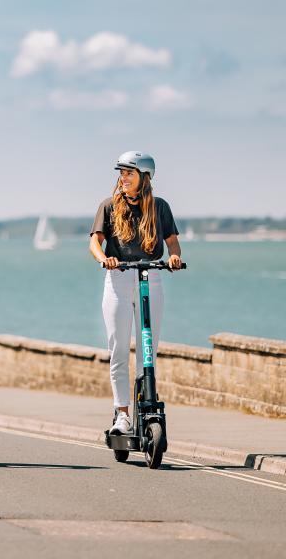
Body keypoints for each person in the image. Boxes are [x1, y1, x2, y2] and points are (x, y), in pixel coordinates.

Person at [89, 151, 182, 435]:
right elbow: (95, 242)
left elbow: (173, 243)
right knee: (118, 350)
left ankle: (146, 404)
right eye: (122, 173)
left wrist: (175, 257)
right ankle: (122, 414)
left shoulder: (160, 207)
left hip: (151, 276)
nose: (124, 177)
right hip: (117, 280)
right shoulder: (108, 206)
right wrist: (104, 258)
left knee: (148, 352)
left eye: (129, 172)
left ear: (145, 177)